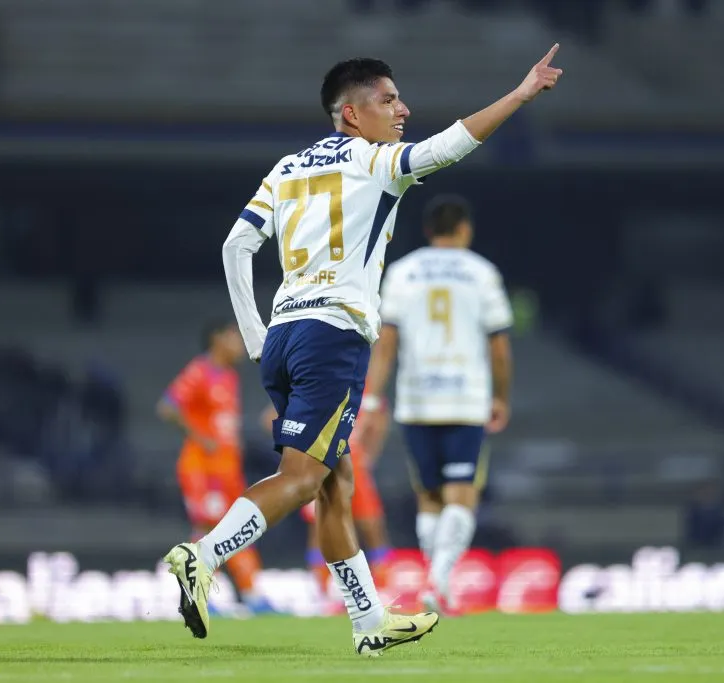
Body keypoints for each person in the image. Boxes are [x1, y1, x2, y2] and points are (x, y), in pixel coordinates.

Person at [160, 46, 563, 655]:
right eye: (388, 100)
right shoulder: (376, 163)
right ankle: (203, 555)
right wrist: (521, 94)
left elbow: (234, 247)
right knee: (302, 478)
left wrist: (253, 337)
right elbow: (454, 143)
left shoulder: (287, 167)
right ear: (351, 114)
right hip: (334, 337)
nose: (403, 109)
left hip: (285, 337)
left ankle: (368, 621)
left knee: (334, 483)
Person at [357, 196, 513, 615]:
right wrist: (500, 396)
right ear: (464, 229)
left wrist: (371, 398)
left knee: (429, 497)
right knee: (462, 494)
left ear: (428, 231)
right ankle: (440, 581)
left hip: (417, 400)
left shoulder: (403, 272)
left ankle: (434, 578)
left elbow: (386, 341)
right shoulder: (482, 273)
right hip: (466, 399)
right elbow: (499, 345)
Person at [157, 320, 272, 614]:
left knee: (239, 527)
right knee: (208, 528)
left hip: (227, 468)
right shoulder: (200, 371)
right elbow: (168, 406)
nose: (239, 344)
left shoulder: (229, 376)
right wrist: (201, 438)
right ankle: (200, 596)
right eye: (234, 337)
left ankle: (251, 594)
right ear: (217, 339)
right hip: (202, 468)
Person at [259, 391, 393, 593]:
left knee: (371, 525)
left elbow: (380, 419)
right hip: (323, 462)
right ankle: (321, 586)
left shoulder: (365, 388)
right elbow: (268, 418)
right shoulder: (314, 385)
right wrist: (299, 444)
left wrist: (370, 454)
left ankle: (383, 584)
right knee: (320, 525)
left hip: (355, 466)